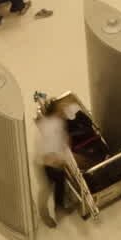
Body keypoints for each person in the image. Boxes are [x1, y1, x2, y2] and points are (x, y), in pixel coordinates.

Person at [34, 97, 70, 228]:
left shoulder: (58, 122)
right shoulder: (48, 125)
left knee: (60, 183)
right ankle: (44, 215)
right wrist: (53, 159)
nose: (64, 110)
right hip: (45, 163)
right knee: (47, 188)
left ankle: (59, 208)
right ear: (55, 111)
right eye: (61, 108)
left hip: (55, 161)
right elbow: (45, 147)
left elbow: (62, 139)